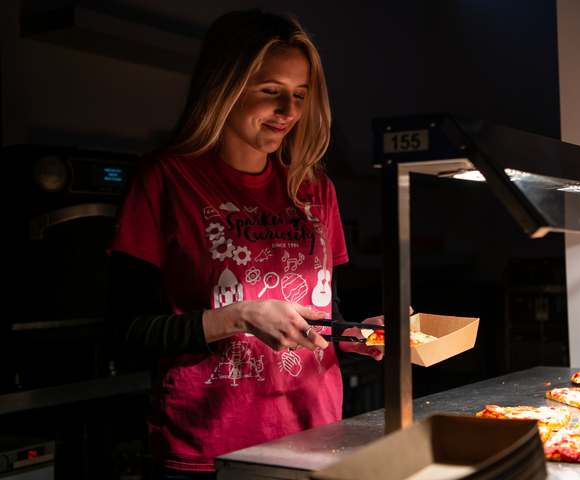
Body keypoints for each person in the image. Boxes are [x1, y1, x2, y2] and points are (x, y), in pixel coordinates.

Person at [105, 10, 383, 479]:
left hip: (315, 438)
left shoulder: (315, 190)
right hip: (209, 450)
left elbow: (323, 314)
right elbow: (123, 332)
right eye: (271, 92)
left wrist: (358, 333)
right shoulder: (166, 179)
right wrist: (238, 317)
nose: (289, 112)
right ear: (224, 86)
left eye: (299, 95)